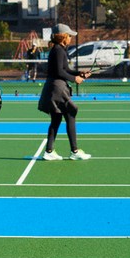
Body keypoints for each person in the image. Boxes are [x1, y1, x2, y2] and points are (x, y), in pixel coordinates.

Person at [38, 24, 91, 160]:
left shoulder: (59, 50)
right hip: (57, 88)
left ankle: (49, 152)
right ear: (63, 37)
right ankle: (74, 151)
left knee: (56, 118)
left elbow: (65, 69)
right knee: (71, 114)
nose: (71, 38)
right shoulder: (58, 50)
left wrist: (80, 73)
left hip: (55, 87)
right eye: (69, 36)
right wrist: (75, 79)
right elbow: (59, 72)